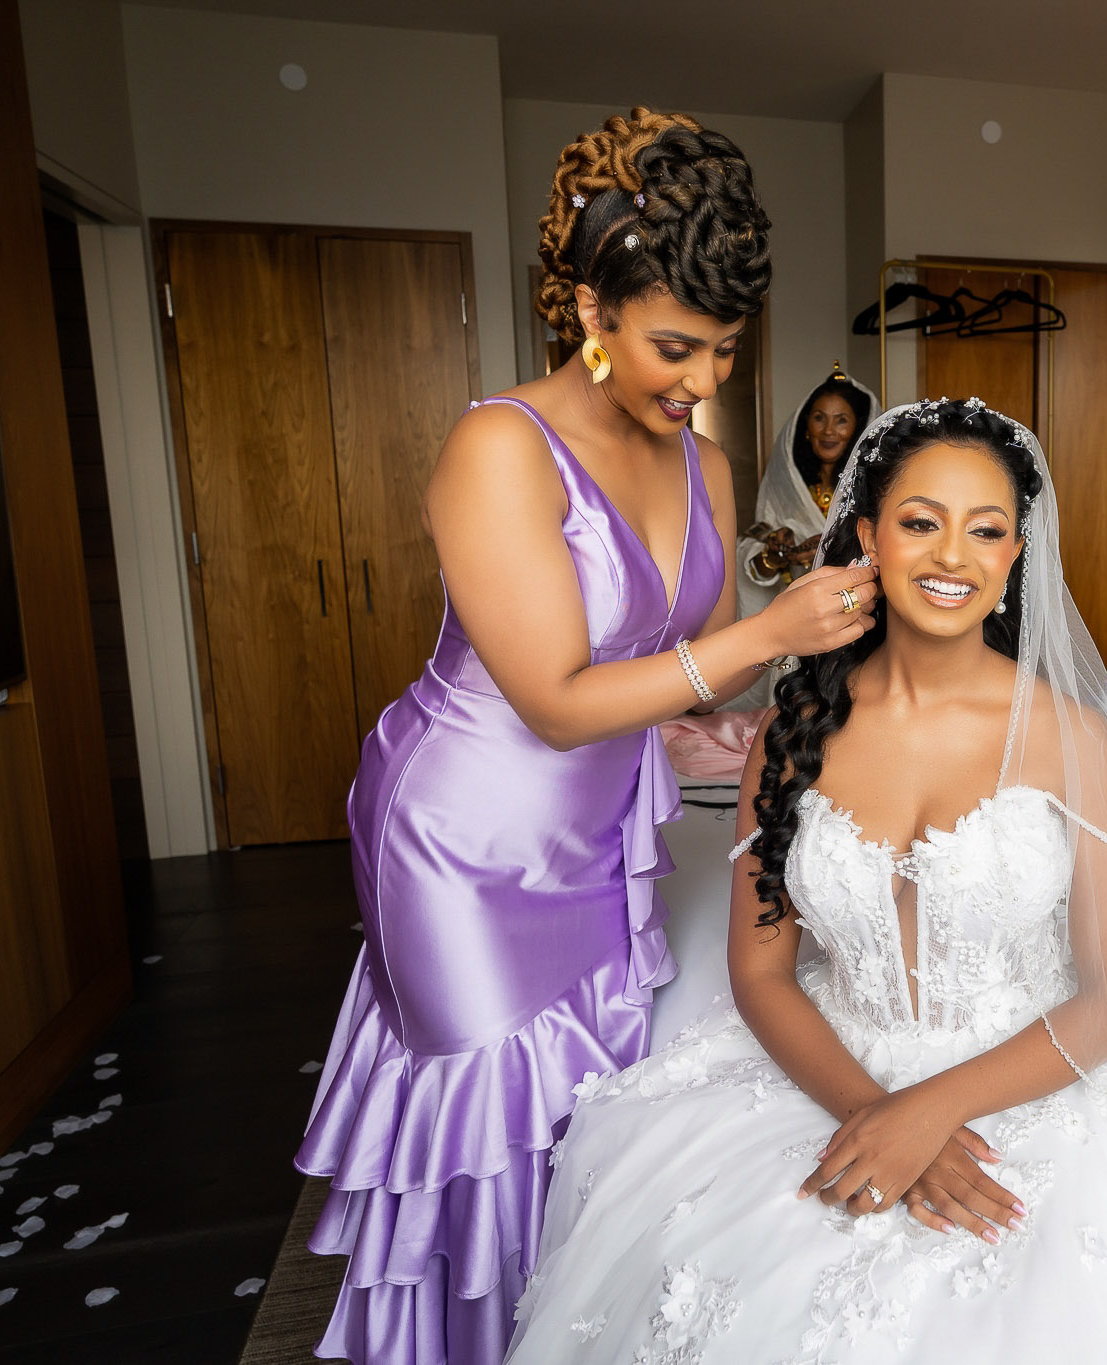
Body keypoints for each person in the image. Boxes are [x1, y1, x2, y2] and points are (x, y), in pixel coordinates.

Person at [503, 399, 1107, 1364]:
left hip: (1029, 1068)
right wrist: (872, 1112)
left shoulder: (1070, 739)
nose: (952, 557)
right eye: (919, 523)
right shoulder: (788, 732)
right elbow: (762, 973)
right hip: (834, 1063)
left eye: (985, 530)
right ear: (867, 536)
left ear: (1016, 553)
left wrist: (928, 1111)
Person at [293, 108, 879, 1365]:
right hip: (463, 840)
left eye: (725, 350)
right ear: (587, 309)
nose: (703, 381)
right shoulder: (499, 447)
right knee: (482, 1131)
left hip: (603, 834)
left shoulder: (705, 465)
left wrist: (827, 657)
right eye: (675, 346)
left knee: (575, 1119)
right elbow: (556, 700)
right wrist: (766, 632)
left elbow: (694, 681)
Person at [724, 366, 877, 708]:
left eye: (841, 420)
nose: (828, 430)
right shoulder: (788, 488)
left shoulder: (870, 488)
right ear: (805, 426)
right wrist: (778, 552)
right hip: (796, 622)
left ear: (857, 428)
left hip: (855, 625)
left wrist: (830, 550)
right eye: (819, 418)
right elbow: (756, 552)